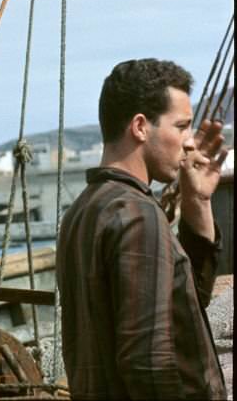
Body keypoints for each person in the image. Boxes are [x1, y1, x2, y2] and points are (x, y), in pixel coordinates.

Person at [57, 58, 228, 400]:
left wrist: (198, 201)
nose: (190, 142)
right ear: (140, 126)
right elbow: (147, 362)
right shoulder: (138, 213)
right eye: (181, 127)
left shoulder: (82, 211)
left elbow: (186, 304)